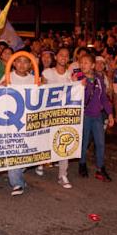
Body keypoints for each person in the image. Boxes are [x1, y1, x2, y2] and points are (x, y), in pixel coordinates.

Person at [0, 55, 36, 195]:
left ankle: (17, 174)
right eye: (19, 61)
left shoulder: (34, 79)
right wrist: (0, 86)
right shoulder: (8, 76)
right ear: (14, 63)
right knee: (14, 150)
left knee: (30, 153)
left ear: (30, 65)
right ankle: (17, 183)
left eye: (25, 62)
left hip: (28, 121)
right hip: (12, 121)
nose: (22, 64)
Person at [78, 52, 114, 180]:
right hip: (85, 116)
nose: (83, 65)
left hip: (97, 116)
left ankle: (100, 168)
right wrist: (80, 86)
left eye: (86, 63)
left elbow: (104, 98)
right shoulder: (79, 79)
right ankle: (82, 164)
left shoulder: (99, 79)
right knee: (84, 142)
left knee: (100, 143)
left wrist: (110, 114)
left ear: (92, 65)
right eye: (81, 63)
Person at [42, 47, 74, 189]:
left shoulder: (71, 75)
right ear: (56, 57)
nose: (63, 57)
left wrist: (80, 83)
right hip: (48, 115)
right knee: (45, 141)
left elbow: (78, 90)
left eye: (66, 56)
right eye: (61, 55)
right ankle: (41, 162)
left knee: (63, 142)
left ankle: (62, 175)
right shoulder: (47, 73)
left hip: (64, 115)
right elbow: (40, 91)